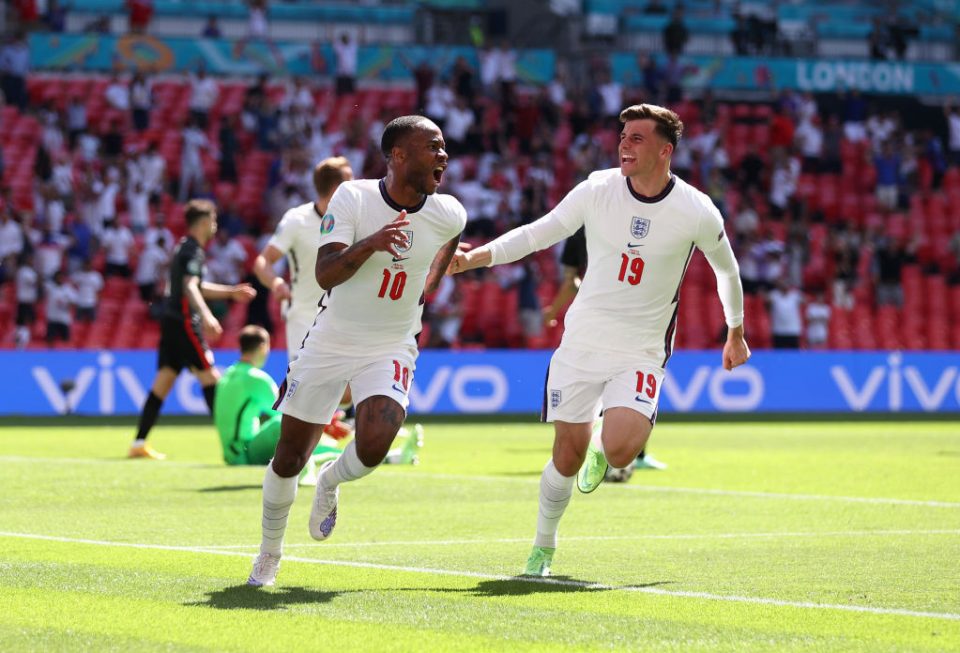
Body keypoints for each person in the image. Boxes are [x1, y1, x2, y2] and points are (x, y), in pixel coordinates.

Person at [448, 104, 750, 577]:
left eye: (636, 138)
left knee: (621, 451)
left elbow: (726, 271)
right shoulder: (596, 189)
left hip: (642, 350)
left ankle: (603, 448)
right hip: (583, 342)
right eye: (623, 136)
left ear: (665, 150)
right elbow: (539, 233)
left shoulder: (697, 210)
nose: (624, 144)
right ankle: (543, 546)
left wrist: (736, 330)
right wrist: (476, 258)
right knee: (565, 458)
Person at [247, 115, 465, 587]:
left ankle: (330, 480)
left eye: (443, 146)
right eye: (433, 147)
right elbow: (325, 273)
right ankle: (269, 553)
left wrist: (424, 288)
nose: (443, 155)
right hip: (331, 339)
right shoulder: (354, 197)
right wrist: (372, 244)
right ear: (398, 155)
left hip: (391, 344)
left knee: (375, 443)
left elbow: (442, 258)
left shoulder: (450, 212)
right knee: (289, 457)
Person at [128, 200, 256, 460]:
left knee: (163, 381)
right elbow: (190, 287)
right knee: (211, 378)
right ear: (204, 222)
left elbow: (194, 285)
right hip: (185, 322)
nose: (215, 226)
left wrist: (231, 292)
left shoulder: (183, 247)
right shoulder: (193, 251)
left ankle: (138, 443)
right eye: (213, 221)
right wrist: (207, 315)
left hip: (171, 321)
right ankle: (233, 444)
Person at [215, 325, 423, 482]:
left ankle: (391, 457)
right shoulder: (256, 379)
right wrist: (325, 423)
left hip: (234, 450)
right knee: (290, 430)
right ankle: (384, 457)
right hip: (243, 453)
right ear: (263, 347)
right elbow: (288, 411)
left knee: (299, 437)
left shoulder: (229, 374)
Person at [543, 227, 669, 474]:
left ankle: (606, 449)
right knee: (633, 386)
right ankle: (626, 453)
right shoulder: (627, 226)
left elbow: (570, 282)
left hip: (593, 325)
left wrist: (553, 310)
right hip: (634, 322)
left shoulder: (578, 230)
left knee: (597, 385)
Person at [253, 156, 356, 437]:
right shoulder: (297, 220)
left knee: (350, 388)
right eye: (350, 181)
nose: (356, 186)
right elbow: (263, 261)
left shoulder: (355, 219)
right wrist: (276, 282)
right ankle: (296, 442)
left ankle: (340, 432)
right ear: (337, 188)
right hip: (304, 315)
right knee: (306, 388)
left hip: (344, 314)